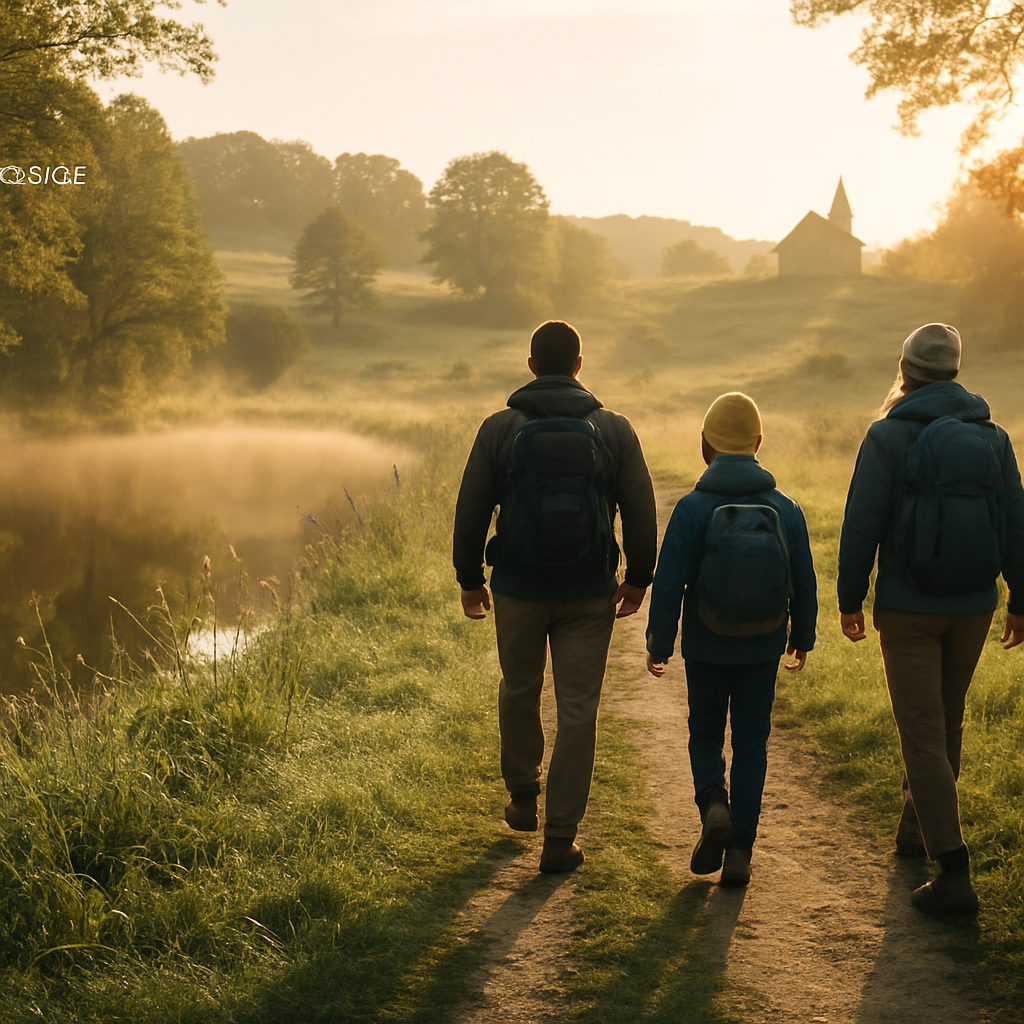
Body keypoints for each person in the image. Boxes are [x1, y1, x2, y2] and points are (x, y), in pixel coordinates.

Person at [453, 320, 657, 873]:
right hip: (589, 591)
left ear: (530, 366)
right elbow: (640, 507)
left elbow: (471, 506)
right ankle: (560, 838)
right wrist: (638, 577)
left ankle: (523, 796)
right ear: (579, 365)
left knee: (519, 687)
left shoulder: (498, 429)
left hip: (518, 586)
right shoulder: (613, 429)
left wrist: (470, 579)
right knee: (578, 711)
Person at [838, 322, 1024, 914]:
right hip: (973, 603)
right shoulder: (991, 435)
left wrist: (849, 597)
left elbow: (862, 521)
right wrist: (1019, 598)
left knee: (921, 732)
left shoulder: (886, 435)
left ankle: (952, 870)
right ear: (955, 370)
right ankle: (916, 833)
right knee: (945, 723)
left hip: (909, 605)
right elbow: (1016, 520)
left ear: (906, 369)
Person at [645, 392, 817, 886]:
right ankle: (740, 848)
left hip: (706, 646)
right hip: (763, 647)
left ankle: (713, 806)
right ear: (759, 442)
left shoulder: (692, 508)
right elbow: (803, 579)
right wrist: (801, 635)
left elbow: (669, 579)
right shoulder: (786, 508)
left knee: (704, 733)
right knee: (753, 742)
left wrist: (660, 641)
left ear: (705, 445)